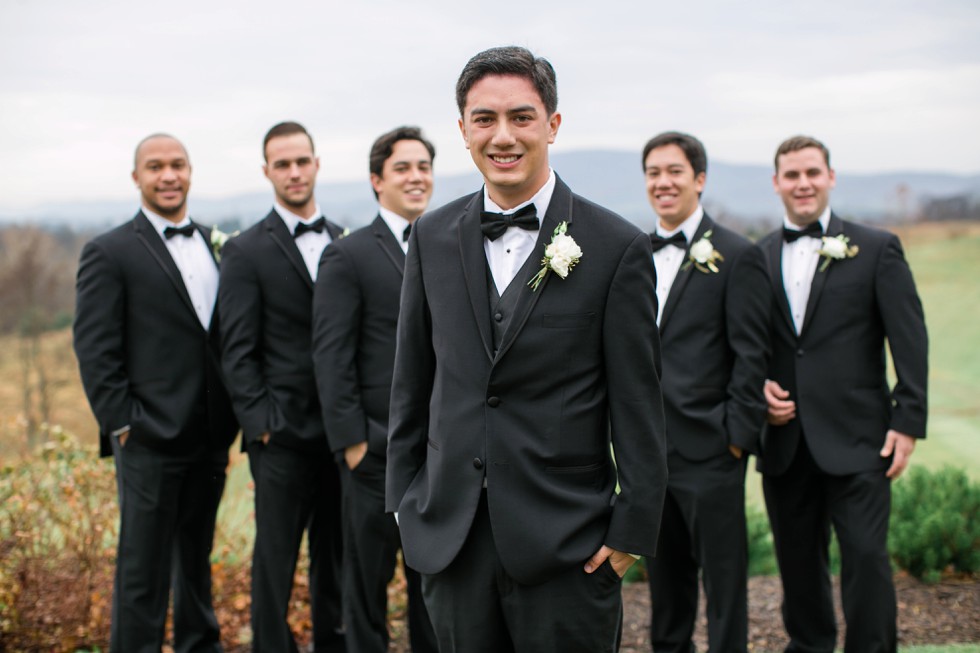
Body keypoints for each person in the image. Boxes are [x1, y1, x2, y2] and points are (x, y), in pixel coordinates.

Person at [385, 46, 668, 653]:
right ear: (463, 130)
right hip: (453, 542)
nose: (503, 136)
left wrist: (631, 531)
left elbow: (638, 403)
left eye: (521, 116)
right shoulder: (429, 237)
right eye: (484, 119)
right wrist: (405, 507)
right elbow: (412, 382)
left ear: (553, 125)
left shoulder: (616, 246)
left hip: (570, 547)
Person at [758, 135, 928, 653]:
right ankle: (809, 646)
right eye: (792, 175)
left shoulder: (877, 247)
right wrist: (756, 388)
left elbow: (909, 336)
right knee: (798, 564)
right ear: (777, 184)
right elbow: (745, 343)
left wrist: (908, 419)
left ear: (831, 177)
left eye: (812, 172)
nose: (802, 183)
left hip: (860, 440)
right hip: (784, 442)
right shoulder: (757, 256)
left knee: (867, 561)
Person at [73, 133, 238, 653]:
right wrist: (124, 424)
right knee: (142, 569)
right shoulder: (109, 251)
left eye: (178, 165)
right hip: (147, 439)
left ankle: (199, 645)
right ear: (136, 177)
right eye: (155, 166)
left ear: (190, 172)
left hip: (211, 437)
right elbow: (95, 349)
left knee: (196, 559)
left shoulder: (220, 246)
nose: (168, 175)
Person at [218, 122, 346, 653]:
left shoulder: (346, 240)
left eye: (302, 161)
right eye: (282, 164)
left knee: (335, 560)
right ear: (268, 171)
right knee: (273, 563)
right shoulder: (246, 251)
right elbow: (236, 349)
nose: (294, 172)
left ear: (316, 164)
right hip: (282, 438)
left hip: (342, 435)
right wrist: (262, 428)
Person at [311, 125, 439, 653]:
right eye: (403, 168)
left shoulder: (453, 241)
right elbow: (331, 355)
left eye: (424, 167)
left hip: (439, 453)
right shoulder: (348, 255)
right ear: (376, 180)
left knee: (432, 583)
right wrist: (354, 443)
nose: (416, 177)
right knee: (365, 587)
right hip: (375, 453)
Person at [641, 131, 770, 653]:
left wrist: (735, 439)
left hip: (712, 453)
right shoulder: (631, 253)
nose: (663, 182)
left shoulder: (738, 255)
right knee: (665, 592)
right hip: (649, 453)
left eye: (674, 171)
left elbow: (751, 355)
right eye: (653, 173)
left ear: (699, 179)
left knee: (724, 589)